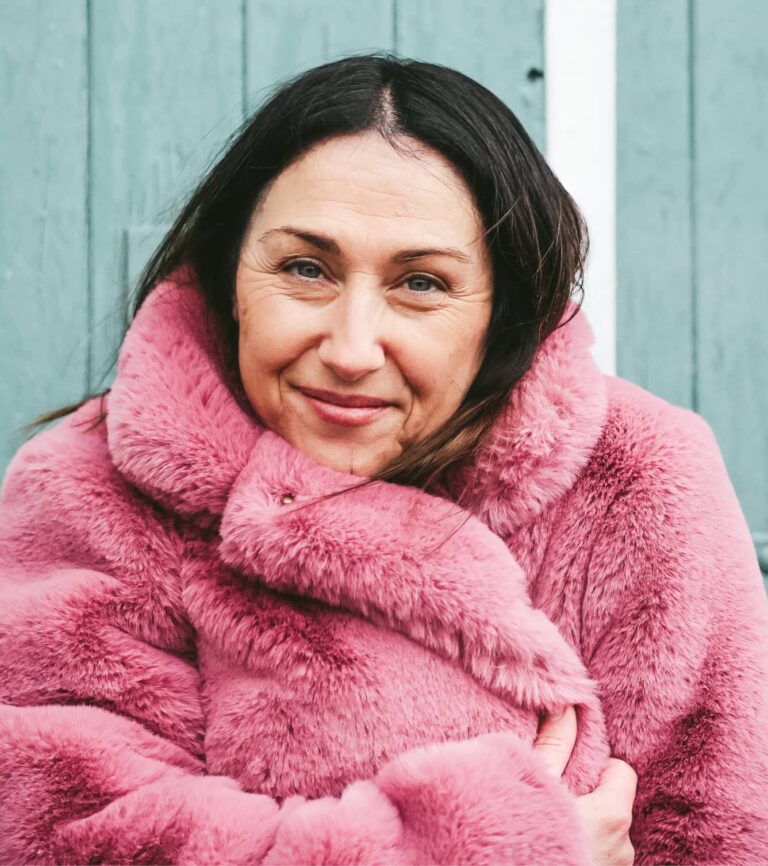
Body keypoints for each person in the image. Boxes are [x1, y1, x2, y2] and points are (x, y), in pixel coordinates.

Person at [0, 52, 766, 866]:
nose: (353, 348)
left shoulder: (637, 478)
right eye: (305, 269)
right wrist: (492, 850)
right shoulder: (92, 484)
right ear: (230, 275)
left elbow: (717, 834)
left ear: (502, 310)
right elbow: (64, 827)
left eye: (422, 284)